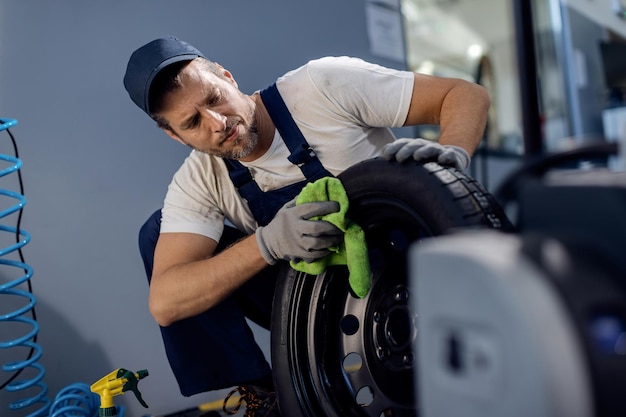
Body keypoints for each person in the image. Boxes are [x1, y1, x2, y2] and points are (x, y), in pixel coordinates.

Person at [123, 36, 489, 416]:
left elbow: (462, 94)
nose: (218, 123)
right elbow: (165, 302)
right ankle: (267, 395)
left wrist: (453, 151)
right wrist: (266, 244)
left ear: (228, 78)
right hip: (318, 291)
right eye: (193, 122)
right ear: (175, 135)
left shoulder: (321, 86)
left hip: (408, 262)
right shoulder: (200, 179)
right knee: (158, 232)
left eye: (214, 99)